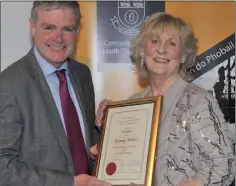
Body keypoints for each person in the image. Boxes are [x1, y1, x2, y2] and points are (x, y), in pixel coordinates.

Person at [96, 13, 235, 186]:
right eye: (154, 41)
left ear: (183, 55)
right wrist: (107, 132)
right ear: (141, 50)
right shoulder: (132, 103)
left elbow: (225, 166)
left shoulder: (198, 101)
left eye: (172, 43)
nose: (162, 49)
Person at [0, 1, 111, 186]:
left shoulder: (82, 74)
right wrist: (69, 182)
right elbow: (3, 167)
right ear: (33, 28)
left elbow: (83, 144)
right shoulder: (9, 84)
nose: (58, 38)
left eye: (67, 29)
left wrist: (104, 132)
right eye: (49, 27)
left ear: (77, 32)